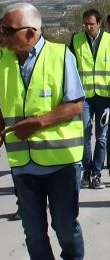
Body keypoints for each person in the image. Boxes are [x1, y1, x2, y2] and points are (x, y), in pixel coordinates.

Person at [0, 3, 85, 259]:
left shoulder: (61, 55)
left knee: (64, 227)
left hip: (61, 162)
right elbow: (4, 107)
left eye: (8, 30)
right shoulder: (2, 61)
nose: (1, 36)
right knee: (34, 232)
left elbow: (75, 106)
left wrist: (38, 122)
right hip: (23, 165)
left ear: (30, 32)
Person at [70, 8, 109, 189]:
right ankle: (86, 170)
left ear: (99, 23)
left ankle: (97, 174)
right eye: (86, 24)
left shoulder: (109, 41)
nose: (88, 27)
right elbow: (70, 68)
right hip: (84, 98)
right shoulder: (76, 41)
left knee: (102, 138)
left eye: (91, 24)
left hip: (105, 98)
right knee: (85, 136)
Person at [0, 18, 21, 221]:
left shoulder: (21, 54)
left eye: (4, 34)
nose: (0, 38)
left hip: (27, 118)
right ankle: (23, 204)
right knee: (16, 166)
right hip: (6, 119)